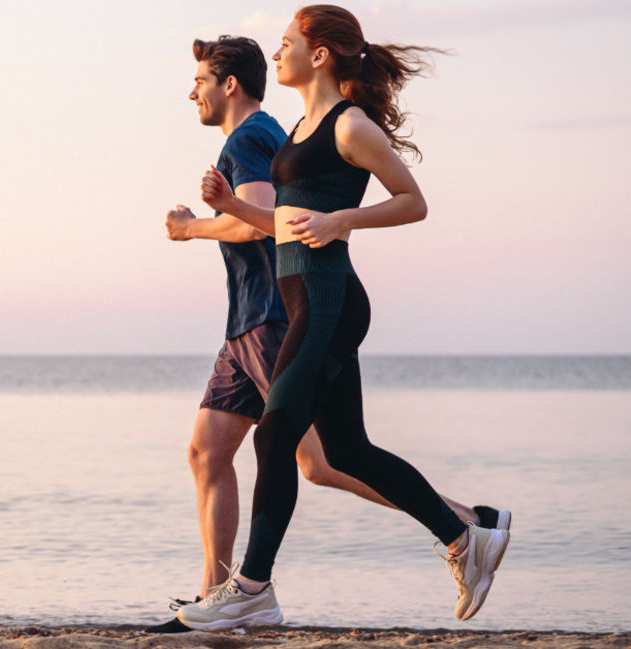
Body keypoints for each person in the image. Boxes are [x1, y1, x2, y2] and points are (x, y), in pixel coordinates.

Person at [173, 6, 510, 632]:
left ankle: (251, 589)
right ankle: (466, 535)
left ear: (319, 53)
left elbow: (414, 202)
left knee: (277, 438)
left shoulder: (350, 126)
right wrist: (225, 212)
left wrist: (345, 220)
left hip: (328, 302)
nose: (277, 56)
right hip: (306, 298)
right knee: (348, 450)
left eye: (286, 44)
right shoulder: (300, 127)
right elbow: (288, 223)